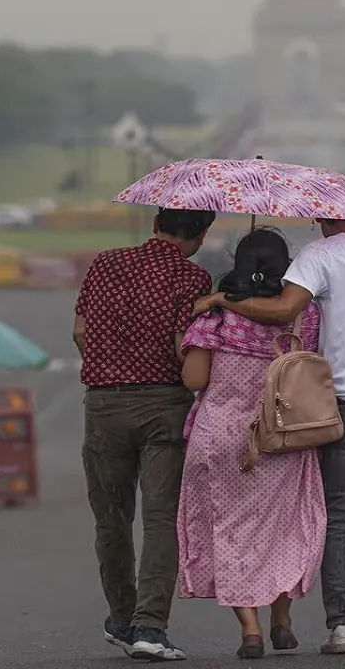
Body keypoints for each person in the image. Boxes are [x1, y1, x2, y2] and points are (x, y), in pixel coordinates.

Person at [194, 217, 345, 655]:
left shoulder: (321, 255)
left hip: (344, 401)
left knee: (337, 512)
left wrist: (223, 297)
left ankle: (343, 627)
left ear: (327, 217)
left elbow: (282, 310)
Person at [73, 207, 217, 662]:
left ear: (156, 223)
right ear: (201, 235)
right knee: (160, 519)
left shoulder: (106, 263)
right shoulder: (193, 278)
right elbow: (182, 349)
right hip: (163, 408)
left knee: (111, 518)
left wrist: (113, 359)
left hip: (104, 405)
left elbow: (79, 331)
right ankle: (150, 628)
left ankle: (121, 615)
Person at [176, 228, 327, 660]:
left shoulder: (215, 318)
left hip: (222, 439)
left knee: (230, 533)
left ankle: (251, 630)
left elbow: (195, 380)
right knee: (283, 530)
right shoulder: (307, 316)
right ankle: (283, 619)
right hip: (284, 437)